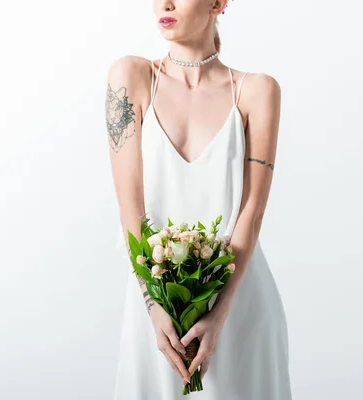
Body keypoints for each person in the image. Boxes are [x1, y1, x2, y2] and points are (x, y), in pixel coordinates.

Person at [104, 1, 293, 399]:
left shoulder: (257, 91)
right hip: (153, 310)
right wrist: (154, 308)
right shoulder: (132, 77)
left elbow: (252, 214)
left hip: (239, 303)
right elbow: (130, 209)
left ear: (218, 3)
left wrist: (220, 314)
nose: (165, 4)